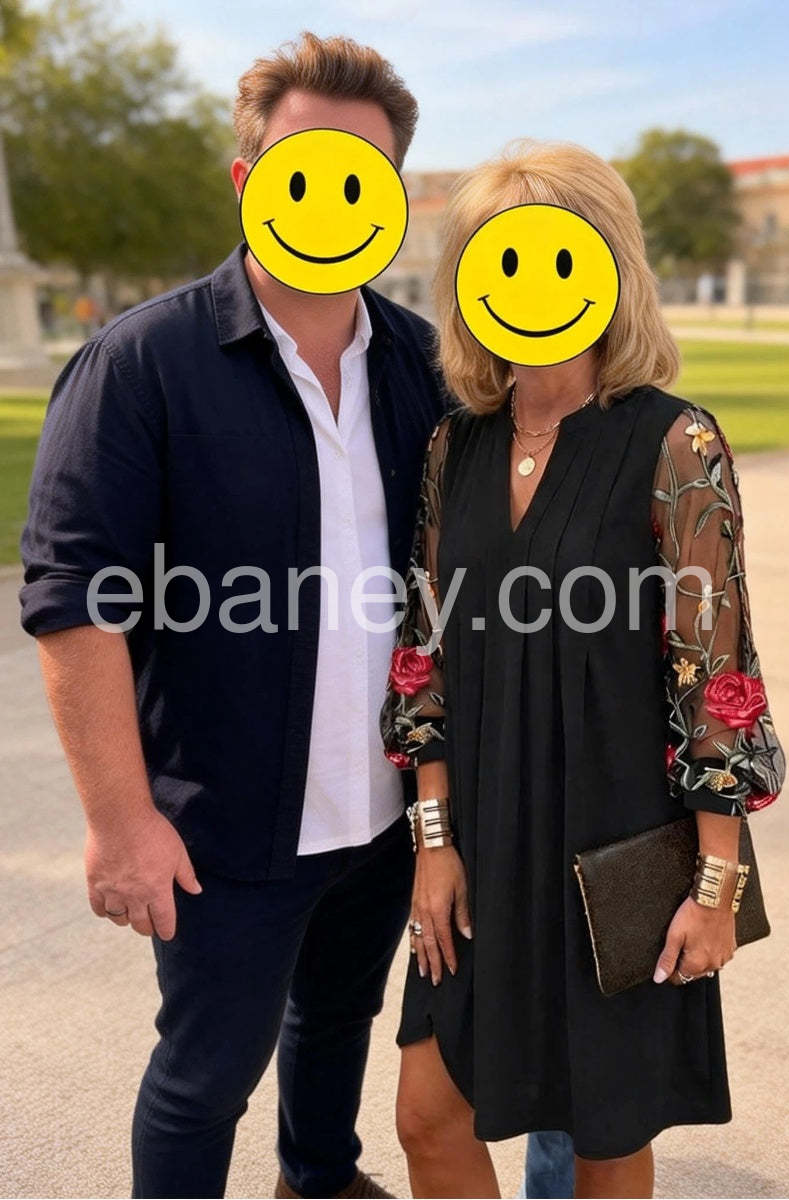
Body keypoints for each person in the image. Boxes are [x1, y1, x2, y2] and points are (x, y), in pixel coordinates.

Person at [21, 32, 442, 1200]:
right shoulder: (141, 363)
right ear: (247, 178)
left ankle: (318, 1178)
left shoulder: (419, 363)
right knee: (205, 1079)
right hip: (222, 826)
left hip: (382, 812)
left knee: (337, 1018)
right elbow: (74, 600)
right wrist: (119, 822)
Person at [381, 140, 785, 1199]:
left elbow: (716, 680)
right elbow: (421, 662)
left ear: (609, 269)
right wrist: (433, 843)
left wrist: (714, 888)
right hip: (481, 843)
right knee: (427, 1116)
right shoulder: (453, 448)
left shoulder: (674, 444)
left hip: (616, 844)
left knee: (606, 1136)